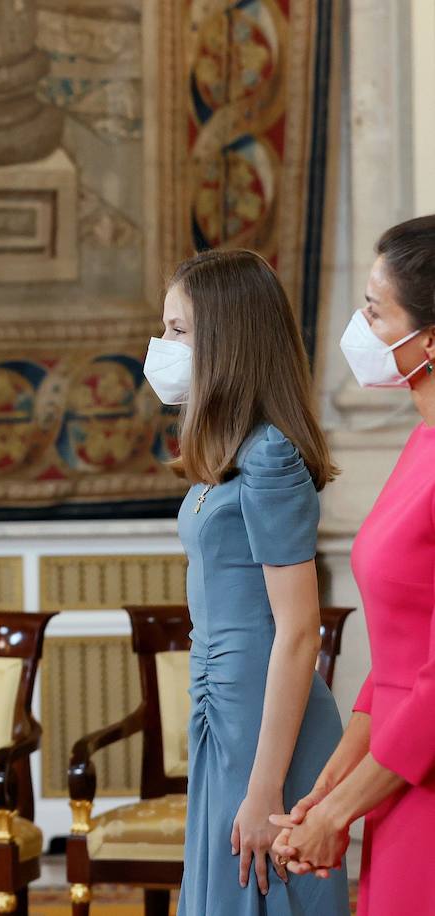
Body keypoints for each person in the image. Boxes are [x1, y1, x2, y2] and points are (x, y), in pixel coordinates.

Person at [142, 249, 348, 914]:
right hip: (224, 706)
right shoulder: (225, 455)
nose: (163, 347)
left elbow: (299, 631)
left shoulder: (271, 456)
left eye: (179, 331)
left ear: (227, 341)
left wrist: (265, 791)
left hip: (269, 719)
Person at [270, 216, 435, 914]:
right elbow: (400, 660)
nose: (358, 327)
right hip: (397, 775)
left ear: (429, 340)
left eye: (375, 310)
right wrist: (331, 792)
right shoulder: (421, 443)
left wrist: (339, 814)